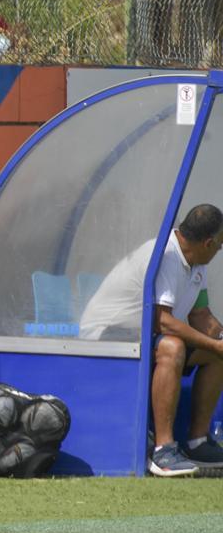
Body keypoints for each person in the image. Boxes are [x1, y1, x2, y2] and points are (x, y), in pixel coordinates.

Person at [79, 204, 223, 477]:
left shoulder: (197, 262)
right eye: (220, 245)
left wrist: (220, 340)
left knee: (216, 355)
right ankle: (163, 451)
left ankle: (198, 443)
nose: (220, 250)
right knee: (173, 345)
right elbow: (162, 321)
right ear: (208, 242)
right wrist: (214, 343)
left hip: (145, 336)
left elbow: (201, 315)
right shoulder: (166, 253)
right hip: (104, 334)